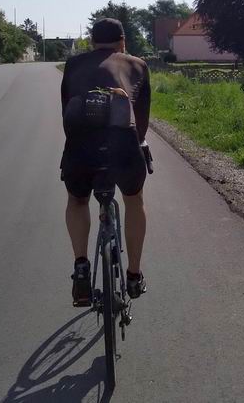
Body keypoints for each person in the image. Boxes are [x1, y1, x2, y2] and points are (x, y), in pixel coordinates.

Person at [60, 18, 151, 306]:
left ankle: (81, 265)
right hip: (123, 145)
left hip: (81, 147)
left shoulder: (73, 65)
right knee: (133, 200)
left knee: (77, 201)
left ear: (92, 41)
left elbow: (67, 115)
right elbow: (142, 121)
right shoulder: (137, 65)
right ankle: (134, 275)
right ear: (123, 41)